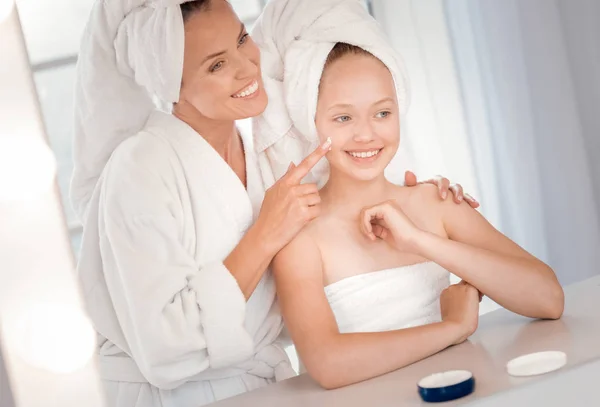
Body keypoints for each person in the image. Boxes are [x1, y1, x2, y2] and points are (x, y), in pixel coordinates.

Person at [71, 0, 476, 405]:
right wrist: (264, 234)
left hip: (265, 386)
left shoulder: (264, 157)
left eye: (242, 39)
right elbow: (164, 346)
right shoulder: (138, 168)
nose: (247, 67)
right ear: (171, 86)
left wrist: (418, 200)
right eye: (216, 65)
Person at [258, 2, 565, 390]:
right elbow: (328, 364)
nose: (367, 134)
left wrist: (422, 240)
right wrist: (453, 327)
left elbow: (548, 298)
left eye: (382, 113)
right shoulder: (300, 236)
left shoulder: (433, 202)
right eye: (343, 117)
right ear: (311, 121)